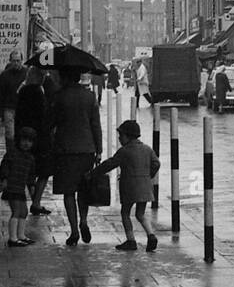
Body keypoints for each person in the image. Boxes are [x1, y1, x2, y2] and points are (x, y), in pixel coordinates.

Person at [48, 67, 104, 247]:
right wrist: (99, 149)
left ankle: (73, 230)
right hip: (87, 149)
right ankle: (84, 220)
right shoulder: (89, 97)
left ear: (64, 78)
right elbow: (96, 125)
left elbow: (51, 122)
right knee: (84, 189)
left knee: (68, 192)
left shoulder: (59, 97)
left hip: (65, 150)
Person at [92, 120, 161, 252]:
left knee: (125, 213)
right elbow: (156, 163)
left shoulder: (124, 151)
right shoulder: (147, 149)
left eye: (121, 135)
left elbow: (110, 164)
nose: (119, 138)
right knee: (140, 214)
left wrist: (93, 173)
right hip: (145, 187)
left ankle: (131, 240)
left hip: (130, 187)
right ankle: (151, 235)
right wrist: (148, 175)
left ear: (128, 136)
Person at [15, 67, 52, 215]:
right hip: (38, 138)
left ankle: (32, 200)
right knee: (43, 171)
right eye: (43, 75)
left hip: (24, 135)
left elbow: (18, 115)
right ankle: (36, 202)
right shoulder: (38, 92)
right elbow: (43, 117)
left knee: (28, 169)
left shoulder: (22, 91)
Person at [0, 127, 37, 248]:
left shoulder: (30, 158)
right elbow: (4, 167)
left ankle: (21, 236)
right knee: (16, 211)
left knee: (24, 212)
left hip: (20, 188)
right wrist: (4, 180)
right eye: (24, 140)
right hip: (12, 187)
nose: (26, 144)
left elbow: (31, 174)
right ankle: (13, 238)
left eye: (30, 141)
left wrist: (31, 186)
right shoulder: (12, 154)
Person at [0, 50, 26, 153]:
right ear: (10, 61)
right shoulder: (5, 75)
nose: (16, 63)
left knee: (22, 133)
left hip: (23, 109)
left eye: (18, 61)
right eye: (14, 61)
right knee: (10, 134)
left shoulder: (27, 73)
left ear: (22, 61)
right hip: (9, 109)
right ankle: (11, 154)